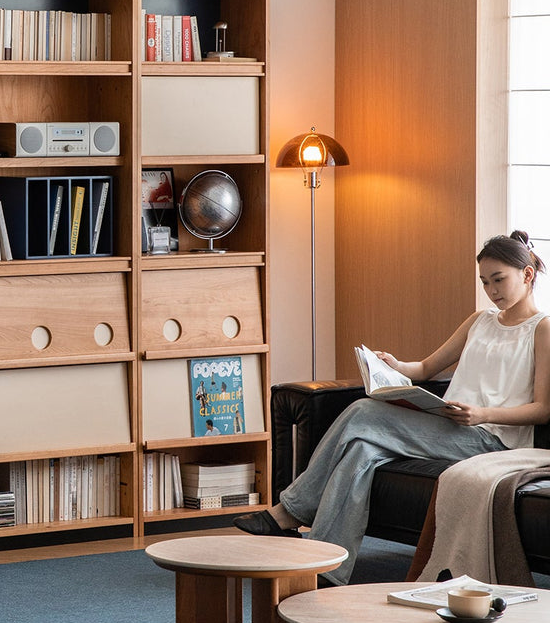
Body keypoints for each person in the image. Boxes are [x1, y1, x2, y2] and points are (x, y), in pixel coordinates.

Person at [235, 230, 550, 585]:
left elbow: (542, 410)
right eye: (485, 282)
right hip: (450, 425)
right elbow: (426, 368)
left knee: (363, 412)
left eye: (499, 279)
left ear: (527, 274)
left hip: (493, 440)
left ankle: (292, 509)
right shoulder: (479, 321)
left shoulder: (542, 329)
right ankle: (324, 569)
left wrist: (482, 414)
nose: (492, 290)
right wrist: (394, 366)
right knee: (362, 450)